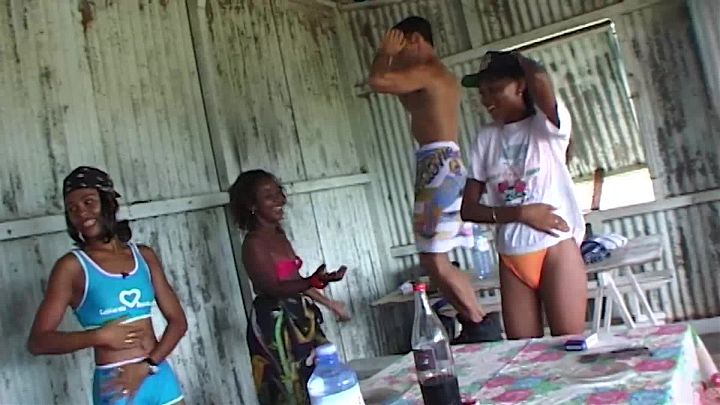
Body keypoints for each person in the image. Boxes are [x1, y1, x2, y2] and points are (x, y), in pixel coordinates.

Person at [367, 16, 502, 343]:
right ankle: (476, 321)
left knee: (433, 258)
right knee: (434, 258)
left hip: (440, 167)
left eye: (401, 45)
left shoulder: (429, 71)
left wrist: (384, 54)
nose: (397, 54)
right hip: (436, 165)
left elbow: (378, 81)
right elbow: (393, 86)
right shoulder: (423, 78)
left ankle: (479, 322)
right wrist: (391, 59)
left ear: (415, 40)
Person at [27, 166, 187, 404]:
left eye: (88, 202)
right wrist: (98, 336)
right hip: (116, 386)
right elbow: (38, 342)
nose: (81, 212)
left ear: (109, 202)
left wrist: (148, 365)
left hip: (158, 375)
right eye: (72, 209)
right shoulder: (71, 267)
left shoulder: (144, 256)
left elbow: (178, 322)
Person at [459, 51, 588, 339]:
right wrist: (522, 213)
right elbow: (468, 210)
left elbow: (540, 77)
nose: (486, 100)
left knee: (568, 344)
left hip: (554, 249)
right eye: (482, 93)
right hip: (511, 256)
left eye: (495, 89)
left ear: (520, 86)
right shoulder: (486, 138)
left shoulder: (547, 127)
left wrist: (516, 60)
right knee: (523, 352)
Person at [228, 169, 351, 405]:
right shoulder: (253, 244)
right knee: (288, 389)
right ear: (252, 205)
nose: (279, 200)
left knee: (318, 380)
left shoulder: (278, 235)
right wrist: (312, 281)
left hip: (299, 317)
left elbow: (295, 281)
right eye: (269, 196)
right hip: (275, 324)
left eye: (279, 193)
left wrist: (330, 303)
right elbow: (273, 287)